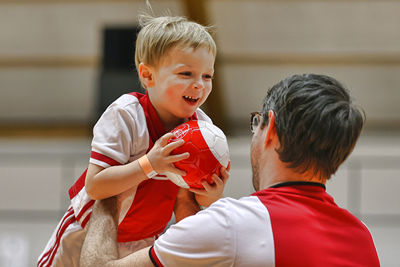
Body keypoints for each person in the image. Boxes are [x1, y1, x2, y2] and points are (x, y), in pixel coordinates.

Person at [79, 73, 380, 267]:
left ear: (270, 128)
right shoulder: (361, 238)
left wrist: (108, 192)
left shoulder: (230, 225)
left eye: (256, 123)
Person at [37, 13, 230, 267]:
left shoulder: (203, 130)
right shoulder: (126, 115)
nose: (199, 85)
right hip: (87, 231)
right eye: (186, 74)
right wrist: (150, 164)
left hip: (144, 241)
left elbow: (184, 202)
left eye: (207, 76)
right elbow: (95, 186)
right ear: (148, 76)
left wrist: (210, 196)